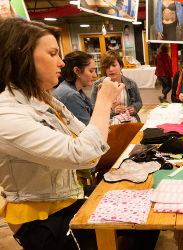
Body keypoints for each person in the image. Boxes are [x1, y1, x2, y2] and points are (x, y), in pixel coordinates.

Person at [0, 18, 124, 249]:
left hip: (64, 197)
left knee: (137, 203)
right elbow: (85, 155)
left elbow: (87, 138)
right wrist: (104, 102)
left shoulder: (42, 97)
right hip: (41, 218)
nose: (60, 63)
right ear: (21, 57)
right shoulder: (5, 115)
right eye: (53, 54)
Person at [91, 50, 142, 123]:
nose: (111, 69)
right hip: (107, 123)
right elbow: (94, 109)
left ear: (120, 66)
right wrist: (113, 111)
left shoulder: (131, 83)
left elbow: (139, 102)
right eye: (107, 67)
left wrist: (134, 109)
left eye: (114, 65)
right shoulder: (98, 85)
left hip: (130, 122)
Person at [52, 51, 97, 126]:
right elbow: (90, 129)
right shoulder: (71, 95)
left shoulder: (76, 90)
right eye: (91, 71)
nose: (95, 75)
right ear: (77, 71)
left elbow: (93, 113)